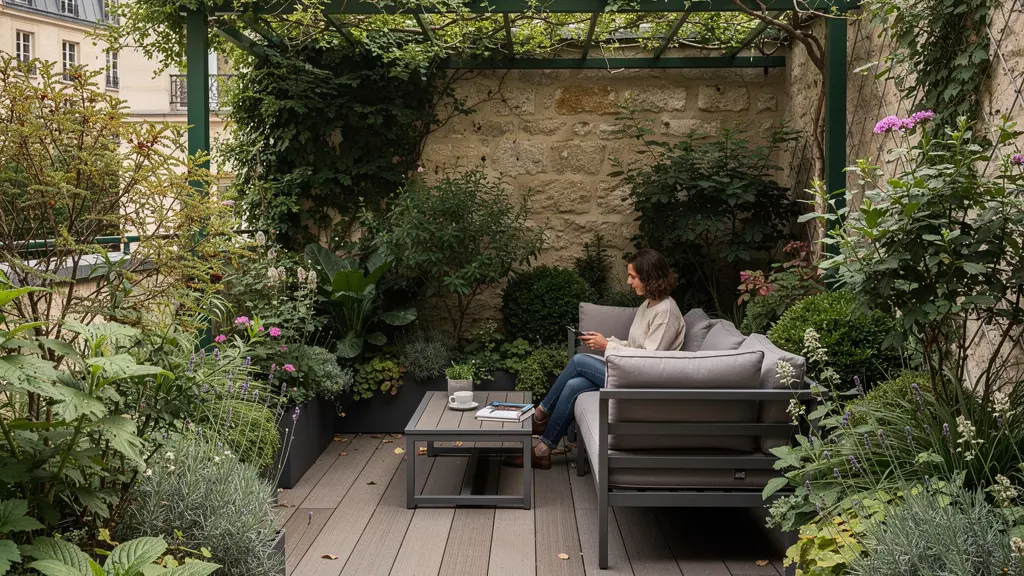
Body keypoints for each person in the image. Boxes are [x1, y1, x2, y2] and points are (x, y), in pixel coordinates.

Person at [503, 248, 685, 470]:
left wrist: (607, 346)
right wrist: (606, 341)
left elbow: (650, 360)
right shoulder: (648, 304)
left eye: (633, 277)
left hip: (644, 382)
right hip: (630, 371)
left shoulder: (665, 312)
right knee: (574, 385)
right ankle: (543, 450)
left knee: (579, 362)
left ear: (649, 277)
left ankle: (539, 416)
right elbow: (637, 346)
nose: (629, 282)